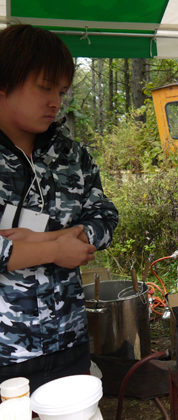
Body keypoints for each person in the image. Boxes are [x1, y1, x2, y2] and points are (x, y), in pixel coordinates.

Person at [0, 25, 119, 392]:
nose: (56, 101)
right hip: (6, 352)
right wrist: (55, 249)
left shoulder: (71, 156)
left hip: (68, 338)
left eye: (62, 91)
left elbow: (104, 216)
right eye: (45, 87)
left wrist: (51, 239)